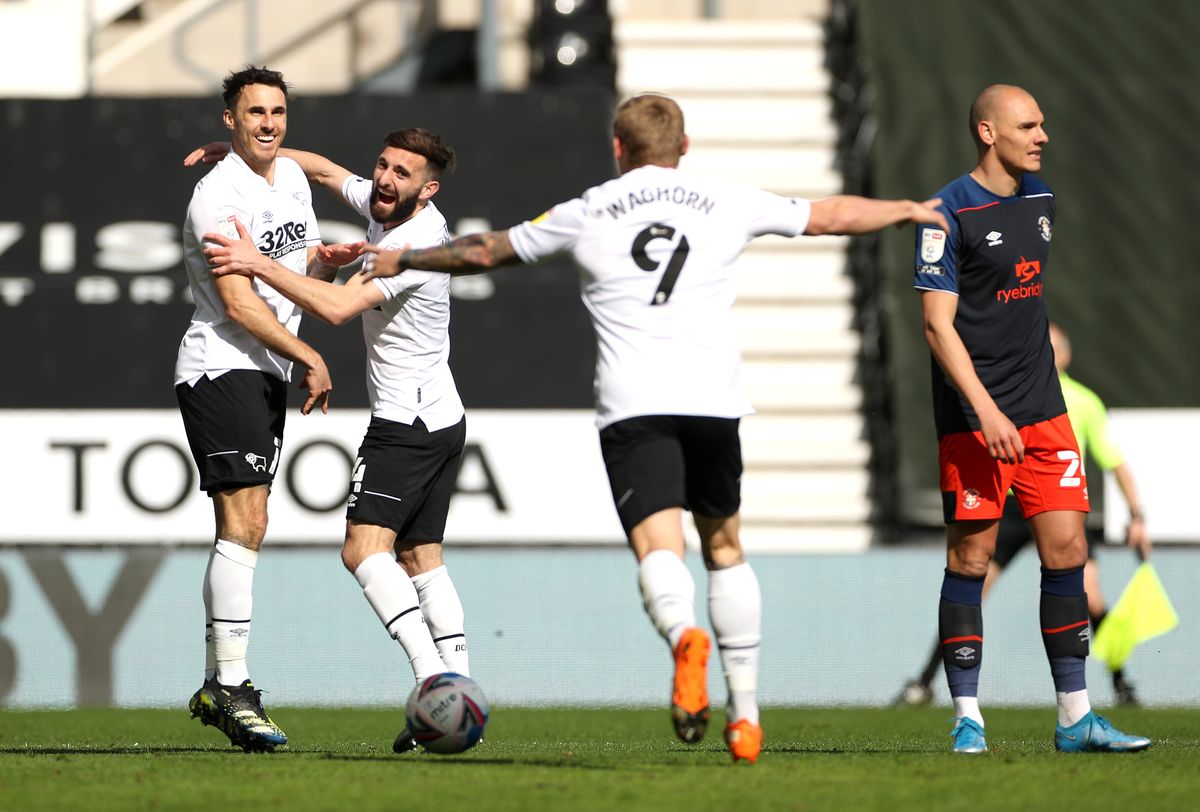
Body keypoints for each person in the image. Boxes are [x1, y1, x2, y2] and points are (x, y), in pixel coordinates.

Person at [316, 93, 951, 764]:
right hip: (716, 401)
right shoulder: (725, 197)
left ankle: (683, 637)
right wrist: (906, 210)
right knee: (726, 548)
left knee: (660, 548)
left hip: (637, 404)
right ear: (685, 146)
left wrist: (407, 259)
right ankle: (746, 714)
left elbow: (484, 251)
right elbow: (829, 215)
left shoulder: (588, 210)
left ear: (618, 149)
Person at [194, 129, 470, 754]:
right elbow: (320, 168)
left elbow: (339, 311)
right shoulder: (385, 203)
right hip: (442, 415)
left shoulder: (416, 243)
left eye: (404, 174)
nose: (385, 180)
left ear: (428, 190)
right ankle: (462, 694)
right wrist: (247, 156)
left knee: (363, 552)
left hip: (407, 423)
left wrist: (257, 262)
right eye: (382, 165)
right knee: (422, 556)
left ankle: (435, 685)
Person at [912, 83, 1150, 754]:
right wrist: (984, 409)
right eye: (1028, 125)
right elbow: (936, 326)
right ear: (989, 132)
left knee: (1069, 551)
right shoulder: (945, 213)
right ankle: (967, 718)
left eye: (1043, 123)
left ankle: (1075, 717)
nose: (1043, 135)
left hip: (1044, 411)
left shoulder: (1042, 200)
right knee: (972, 556)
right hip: (974, 419)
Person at [175, 65, 334, 753]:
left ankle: (220, 682)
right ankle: (232, 686)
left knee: (248, 523)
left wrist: (324, 265)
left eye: (277, 112)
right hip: (222, 365)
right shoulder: (217, 198)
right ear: (229, 120)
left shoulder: (290, 179)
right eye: (254, 113)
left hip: (262, 368)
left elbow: (290, 276)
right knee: (247, 519)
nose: (268, 122)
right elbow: (240, 305)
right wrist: (309, 354)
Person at [895, 321, 1152, 709]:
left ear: (1063, 355)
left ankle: (1121, 683)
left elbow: (1114, 462)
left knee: (1091, 599)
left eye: (1049, 346)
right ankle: (927, 683)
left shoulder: (1082, 401)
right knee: (971, 585)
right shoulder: (1007, 388)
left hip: (1057, 503)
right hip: (1010, 504)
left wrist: (1137, 516)